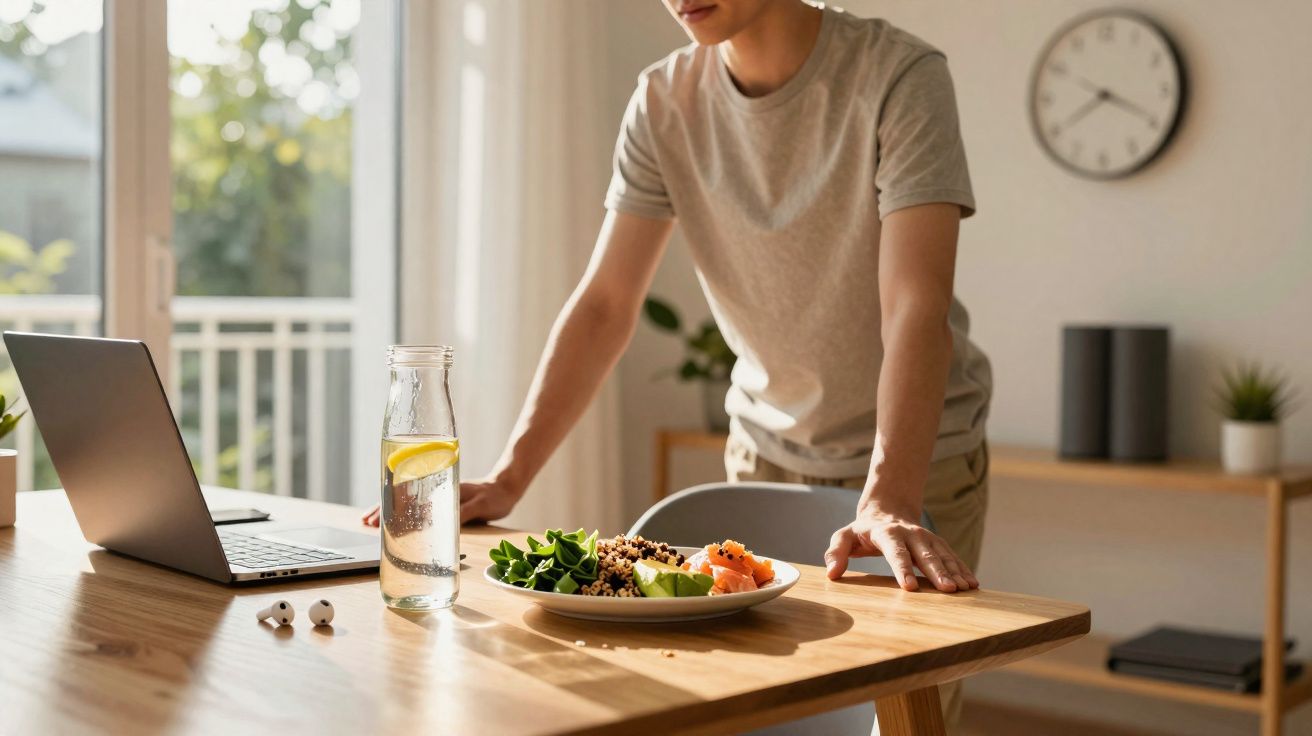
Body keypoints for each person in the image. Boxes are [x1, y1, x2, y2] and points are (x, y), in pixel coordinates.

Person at [365, 0, 991, 727]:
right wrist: (510, 477)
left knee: (901, 717)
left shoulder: (899, 75)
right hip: (764, 452)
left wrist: (888, 495)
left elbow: (916, 307)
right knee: (758, 712)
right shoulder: (663, 100)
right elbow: (605, 305)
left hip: (915, 460)